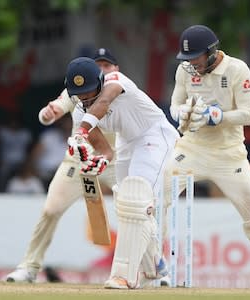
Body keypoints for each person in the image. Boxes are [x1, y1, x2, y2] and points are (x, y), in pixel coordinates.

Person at [165, 25, 250, 289]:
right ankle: (152, 270)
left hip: (230, 156)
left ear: (212, 52)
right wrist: (185, 113)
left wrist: (218, 117)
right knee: (155, 202)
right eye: (187, 58)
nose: (191, 63)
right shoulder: (185, 70)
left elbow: (249, 115)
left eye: (196, 57)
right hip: (191, 149)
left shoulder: (237, 69)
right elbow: (174, 105)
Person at [5, 48, 121, 283]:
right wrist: (48, 114)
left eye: (105, 65)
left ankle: (155, 268)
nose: (100, 69)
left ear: (115, 69)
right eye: (96, 65)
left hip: (115, 160)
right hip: (78, 160)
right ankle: (29, 266)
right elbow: (53, 110)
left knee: (135, 211)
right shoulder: (79, 90)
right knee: (50, 209)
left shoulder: (121, 88)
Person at [65, 56, 179, 289]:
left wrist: (81, 132)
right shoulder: (80, 111)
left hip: (155, 135)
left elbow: (104, 101)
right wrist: (98, 161)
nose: (85, 98)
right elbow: (106, 151)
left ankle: (125, 275)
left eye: (89, 91)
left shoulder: (115, 81)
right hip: (127, 143)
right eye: (80, 94)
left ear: (99, 81)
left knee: (137, 200)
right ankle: (154, 263)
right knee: (125, 205)